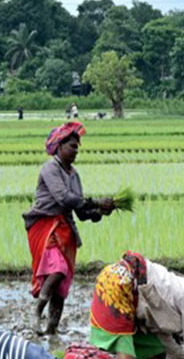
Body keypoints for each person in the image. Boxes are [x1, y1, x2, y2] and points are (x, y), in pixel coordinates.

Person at [23, 122, 117, 334]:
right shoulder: (50, 169)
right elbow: (64, 198)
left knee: (62, 286)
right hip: (46, 225)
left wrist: (101, 212)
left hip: (66, 229)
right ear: (59, 146)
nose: (76, 151)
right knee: (57, 270)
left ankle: (51, 331)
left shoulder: (74, 175)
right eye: (72, 146)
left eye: (77, 147)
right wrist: (95, 202)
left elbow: (82, 213)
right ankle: (37, 311)